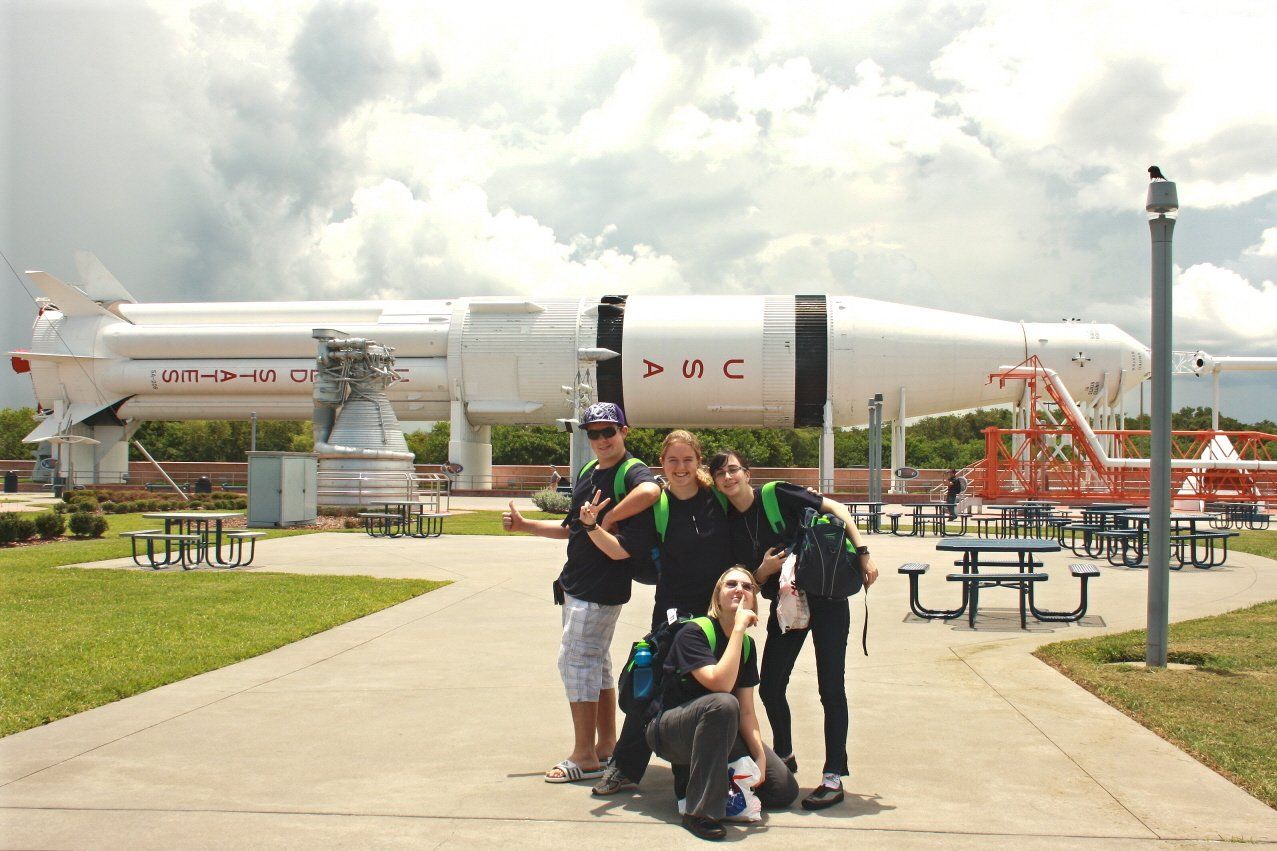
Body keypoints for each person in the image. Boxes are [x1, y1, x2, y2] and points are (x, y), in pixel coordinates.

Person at [709, 450, 878, 811]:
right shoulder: (727, 524)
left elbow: (837, 509)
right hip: (788, 604)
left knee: (831, 686)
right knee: (770, 684)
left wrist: (863, 553)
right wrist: (765, 570)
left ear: (747, 473)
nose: (728, 476)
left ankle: (833, 777)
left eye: (734, 469)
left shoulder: (775, 494)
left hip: (827, 596)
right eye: (720, 472)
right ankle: (784, 756)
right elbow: (745, 582)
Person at [503, 402, 660, 783]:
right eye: (594, 433)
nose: (602, 439)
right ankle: (605, 747)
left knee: (575, 662)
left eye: (610, 431)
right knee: (595, 663)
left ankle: (583, 755)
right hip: (577, 582)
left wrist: (610, 516)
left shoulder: (629, 470)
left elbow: (653, 489)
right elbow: (572, 528)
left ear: (624, 431)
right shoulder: (590, 471)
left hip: (601, 585)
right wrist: (526, 527)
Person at [584, 430, 734, 796]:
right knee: (651, 688)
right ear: (662, 465)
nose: (680, 468)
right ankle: (623, 766)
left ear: (698, 461)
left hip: (716, 612)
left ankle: (725, 767)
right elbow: (622, 551)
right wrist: (591, 527)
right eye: (672, 461)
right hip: (672, 614)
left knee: (718, 692)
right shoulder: (658, 507)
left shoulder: (718, 499)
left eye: (687, 460)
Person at [646, 566, 799, 840]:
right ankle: (700, 812)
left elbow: (748, 711)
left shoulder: (747, 647)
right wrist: (739, 628)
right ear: (717, 597)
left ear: (754, 599)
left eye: (747, 586)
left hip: (717, 730)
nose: (739, 589)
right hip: (670, 732)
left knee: (782, 789)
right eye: (731, 584)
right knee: (723, 703)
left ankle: (713, 778)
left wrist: (761, 757)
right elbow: (720, 684)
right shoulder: (694, 632)